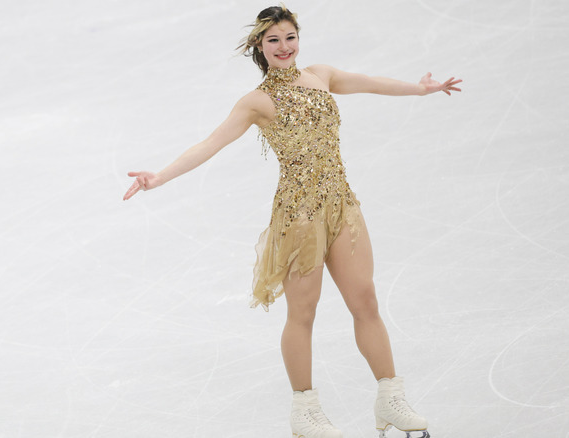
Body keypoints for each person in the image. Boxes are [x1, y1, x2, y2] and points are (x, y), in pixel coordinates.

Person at [123, 4, 461, 438]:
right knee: (303, 313)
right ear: (259, 48)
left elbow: (371, 84)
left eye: (290, 37)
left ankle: (389, 398)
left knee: (366, 301)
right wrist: (159, 177)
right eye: (273, 40)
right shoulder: (256, 102)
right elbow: (210, 144)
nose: (284, 47)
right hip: (299, 215)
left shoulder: (321, 75)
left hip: (341, 204)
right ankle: (305, 410)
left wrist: (420, 89)